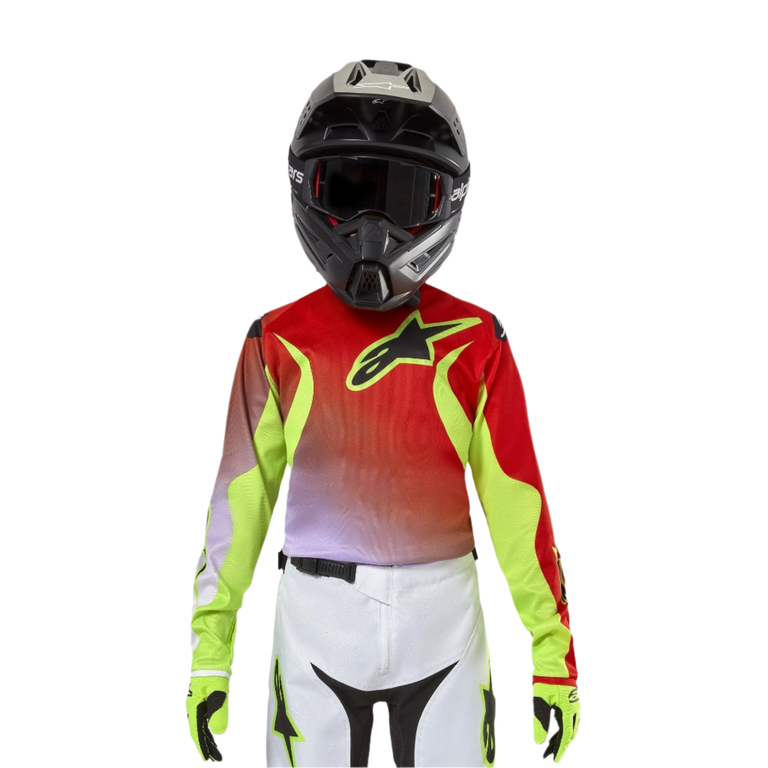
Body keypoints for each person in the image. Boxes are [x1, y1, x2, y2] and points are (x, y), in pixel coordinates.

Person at [183, 57, 582, 767]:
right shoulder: (275, 341)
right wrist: (208, 656)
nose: (372, 229)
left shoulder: (476, 342)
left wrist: (554, 659)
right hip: (341, 622)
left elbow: (520, 508)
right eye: (349, 190)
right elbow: (239, 506)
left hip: (418, 623)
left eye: (400, 197)